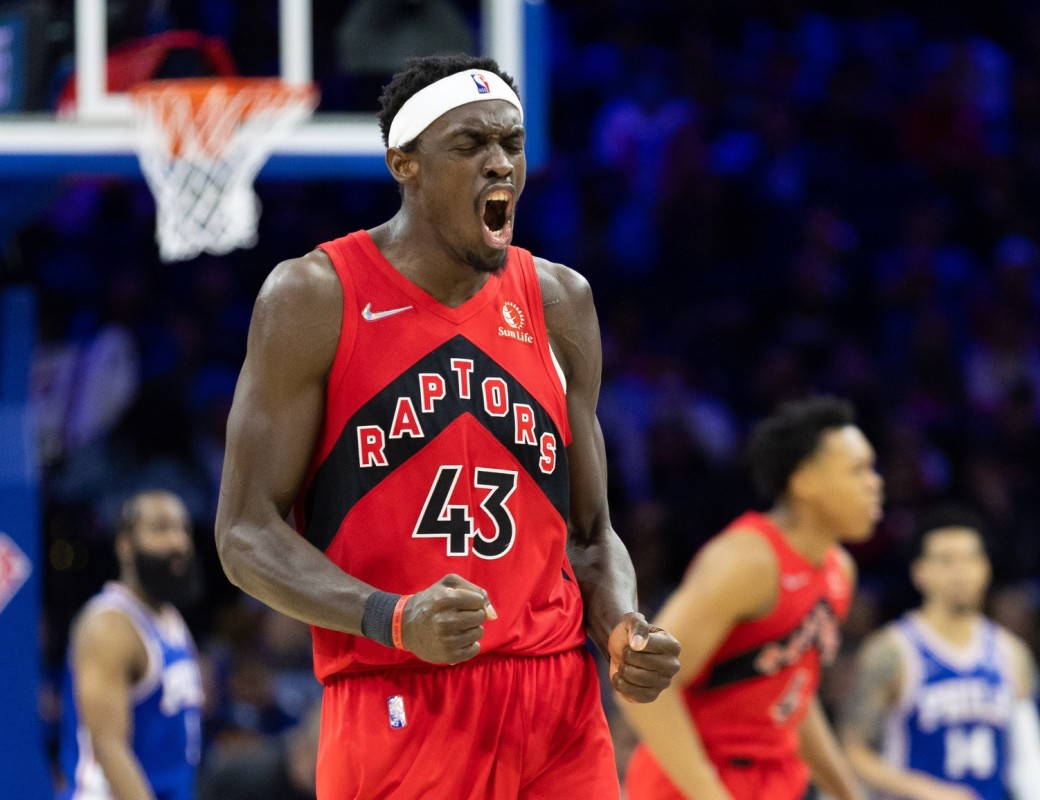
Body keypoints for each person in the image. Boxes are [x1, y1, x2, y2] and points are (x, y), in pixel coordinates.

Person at [214, 53, 680, 799]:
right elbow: (244, 534)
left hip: (558, 703)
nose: (500, 164)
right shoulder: (315, 296)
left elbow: (591, 536)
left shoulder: (560, 301)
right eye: (470, 144)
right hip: (400, 694)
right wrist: (391, 618)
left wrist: (623, 626)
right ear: (405, 163)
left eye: (511, 144)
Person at [621, 395, 883, 800]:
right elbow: (640, 687)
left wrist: (849, 793)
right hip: (694, 778)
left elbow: (792, 693)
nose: (875, 482)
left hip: (776, 778)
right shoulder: (748, 561)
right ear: (804, 481)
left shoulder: (839, 569)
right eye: (858, 470)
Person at [840, 507, 1040, 800]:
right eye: (946, 560)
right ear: (919, 572)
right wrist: (929, 792)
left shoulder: (1011, 653)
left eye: (970, 559)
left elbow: (1027, 762)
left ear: (985, 568)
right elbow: (853, 753)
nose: (960, 571)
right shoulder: (892, 651)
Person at [57, 490, 204, 800]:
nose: (178, 542)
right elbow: (109, 747)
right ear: (125, 544)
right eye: (161, 529)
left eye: (183, 529)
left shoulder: (169, 616)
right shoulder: (108, 626)